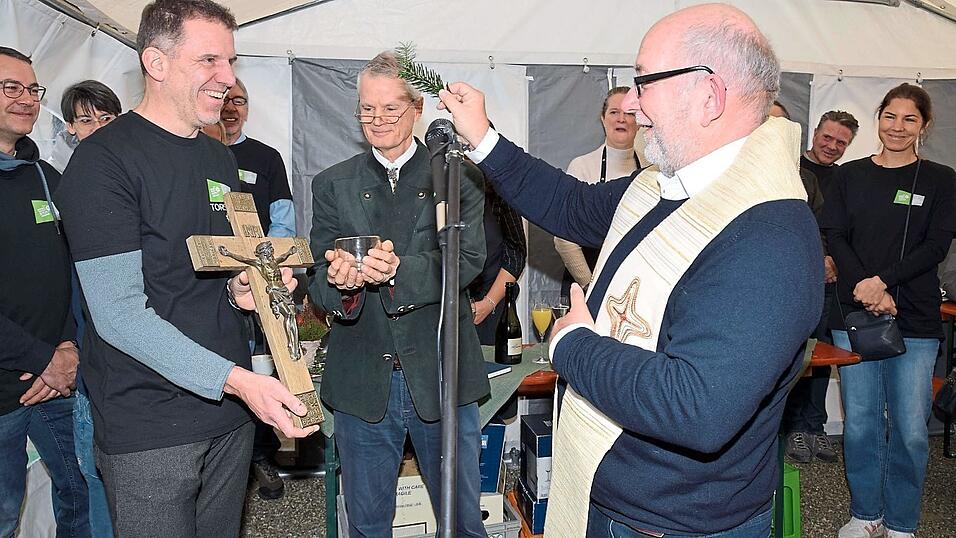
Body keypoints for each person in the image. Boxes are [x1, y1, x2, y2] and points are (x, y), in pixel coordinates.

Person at [438, 4, 823, 536]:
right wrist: (483, 138)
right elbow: (570, 205)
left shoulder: (769, 235)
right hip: (614, 497)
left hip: (674, 523)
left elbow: (697, 409)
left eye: (644, 84)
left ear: (709, 95)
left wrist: (572, 344)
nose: (633, 108)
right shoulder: (667, 186)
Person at [54, 1, 317, 536]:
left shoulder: (218, 158)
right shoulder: (103, 162)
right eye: (209, 61)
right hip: (152, 428)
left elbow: (203, 277)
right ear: (155, 62)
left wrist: (244, 289)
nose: (227, 78)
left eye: (231, 61)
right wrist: (240, 381)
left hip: (227, 417)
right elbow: (120, 316)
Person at [309, 50, 489, 537]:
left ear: (417, 109)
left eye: (390, 108)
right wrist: (339, 285)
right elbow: (316, 278)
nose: (377, 120)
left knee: (463, 523)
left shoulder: (456, 176)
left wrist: (395, 273)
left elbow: (469, 259)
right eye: (367, 109)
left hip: (441, 374)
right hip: (362, 379)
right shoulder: (332, 184)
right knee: (366, 527)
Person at [822, 83, 956, 538]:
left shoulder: (941, 179)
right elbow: (836, 235)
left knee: (910, 429)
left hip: (914, 316)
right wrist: (866, 286)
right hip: (856, 316)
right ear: (878, 118)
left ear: (924, 125)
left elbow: (936, 245)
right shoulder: (848, 176)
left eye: (909, 119)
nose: (897, 127)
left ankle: (900, 523)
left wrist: (884, 282)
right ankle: (866, 514)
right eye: (890, 116)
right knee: (859, 423)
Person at [0, 45, 89, 538]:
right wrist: (44, 357)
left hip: (57, 378)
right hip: (10, 385)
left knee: (81, 492)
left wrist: (71, 348)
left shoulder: (45, 176)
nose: (27, 99)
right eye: (10, 87)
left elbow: (74, 272)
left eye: (33, 89)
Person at [212, 78, 296, 500]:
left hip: (256, 283)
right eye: (224, 99)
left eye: (239, 100)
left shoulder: (265, 157)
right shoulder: (197, 152)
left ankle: (260, 452)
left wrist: (270, 270)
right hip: (208, 283)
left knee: (261, 365)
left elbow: (284, 222)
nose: (230, 107)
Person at [60, 78, 122, 537]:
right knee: (97, 485)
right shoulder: (65, 188)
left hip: (128, 365)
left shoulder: (129, 181)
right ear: (70, 129)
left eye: (106, 118)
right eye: (86, 120)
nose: (98, 127)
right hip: (88, 362)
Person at [769, 100, 839, 463]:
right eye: (828, 137)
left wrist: (822, 258)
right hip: (757, 286)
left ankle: (807, 427)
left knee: (811, 354)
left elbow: (818, 230)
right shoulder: (733, 169)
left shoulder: (808, 180)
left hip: (802, 283)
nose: (832, 145)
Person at [554, 86, 644, 295]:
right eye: (614, 112)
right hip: (587, 282)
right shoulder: (582, 166)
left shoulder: (651, 168)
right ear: (603, 119)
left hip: (635, 284)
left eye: (629, 113)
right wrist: (591, 286)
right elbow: (563, 237)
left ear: (639, 122)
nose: (621, 119)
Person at [468, 179, 526, 344]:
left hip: (493, 304)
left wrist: (487, 304)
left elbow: (516, 254)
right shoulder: (435, 195)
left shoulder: (501, 193)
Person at [802, 109, 859, 184]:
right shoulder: (791, 167)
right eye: (827, 138)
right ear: (815, 134)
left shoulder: (845, 180)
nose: (832, 147)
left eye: (841, 142)